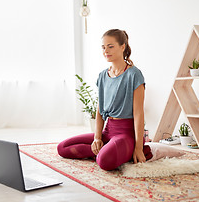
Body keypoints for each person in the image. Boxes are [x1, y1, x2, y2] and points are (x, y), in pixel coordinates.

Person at [57, 29, 152, 171]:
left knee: (104, 162)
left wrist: (138, 147)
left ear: (122, 46)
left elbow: (139, 113)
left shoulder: (134, 74)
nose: (106, 50)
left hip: (126, 134)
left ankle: (123, 151)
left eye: (111, 46)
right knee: (62, 148)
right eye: (103, 47)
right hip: (108, 131)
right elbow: (100, 110)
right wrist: (97, 138)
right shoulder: (102, 76)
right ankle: (108, 151)